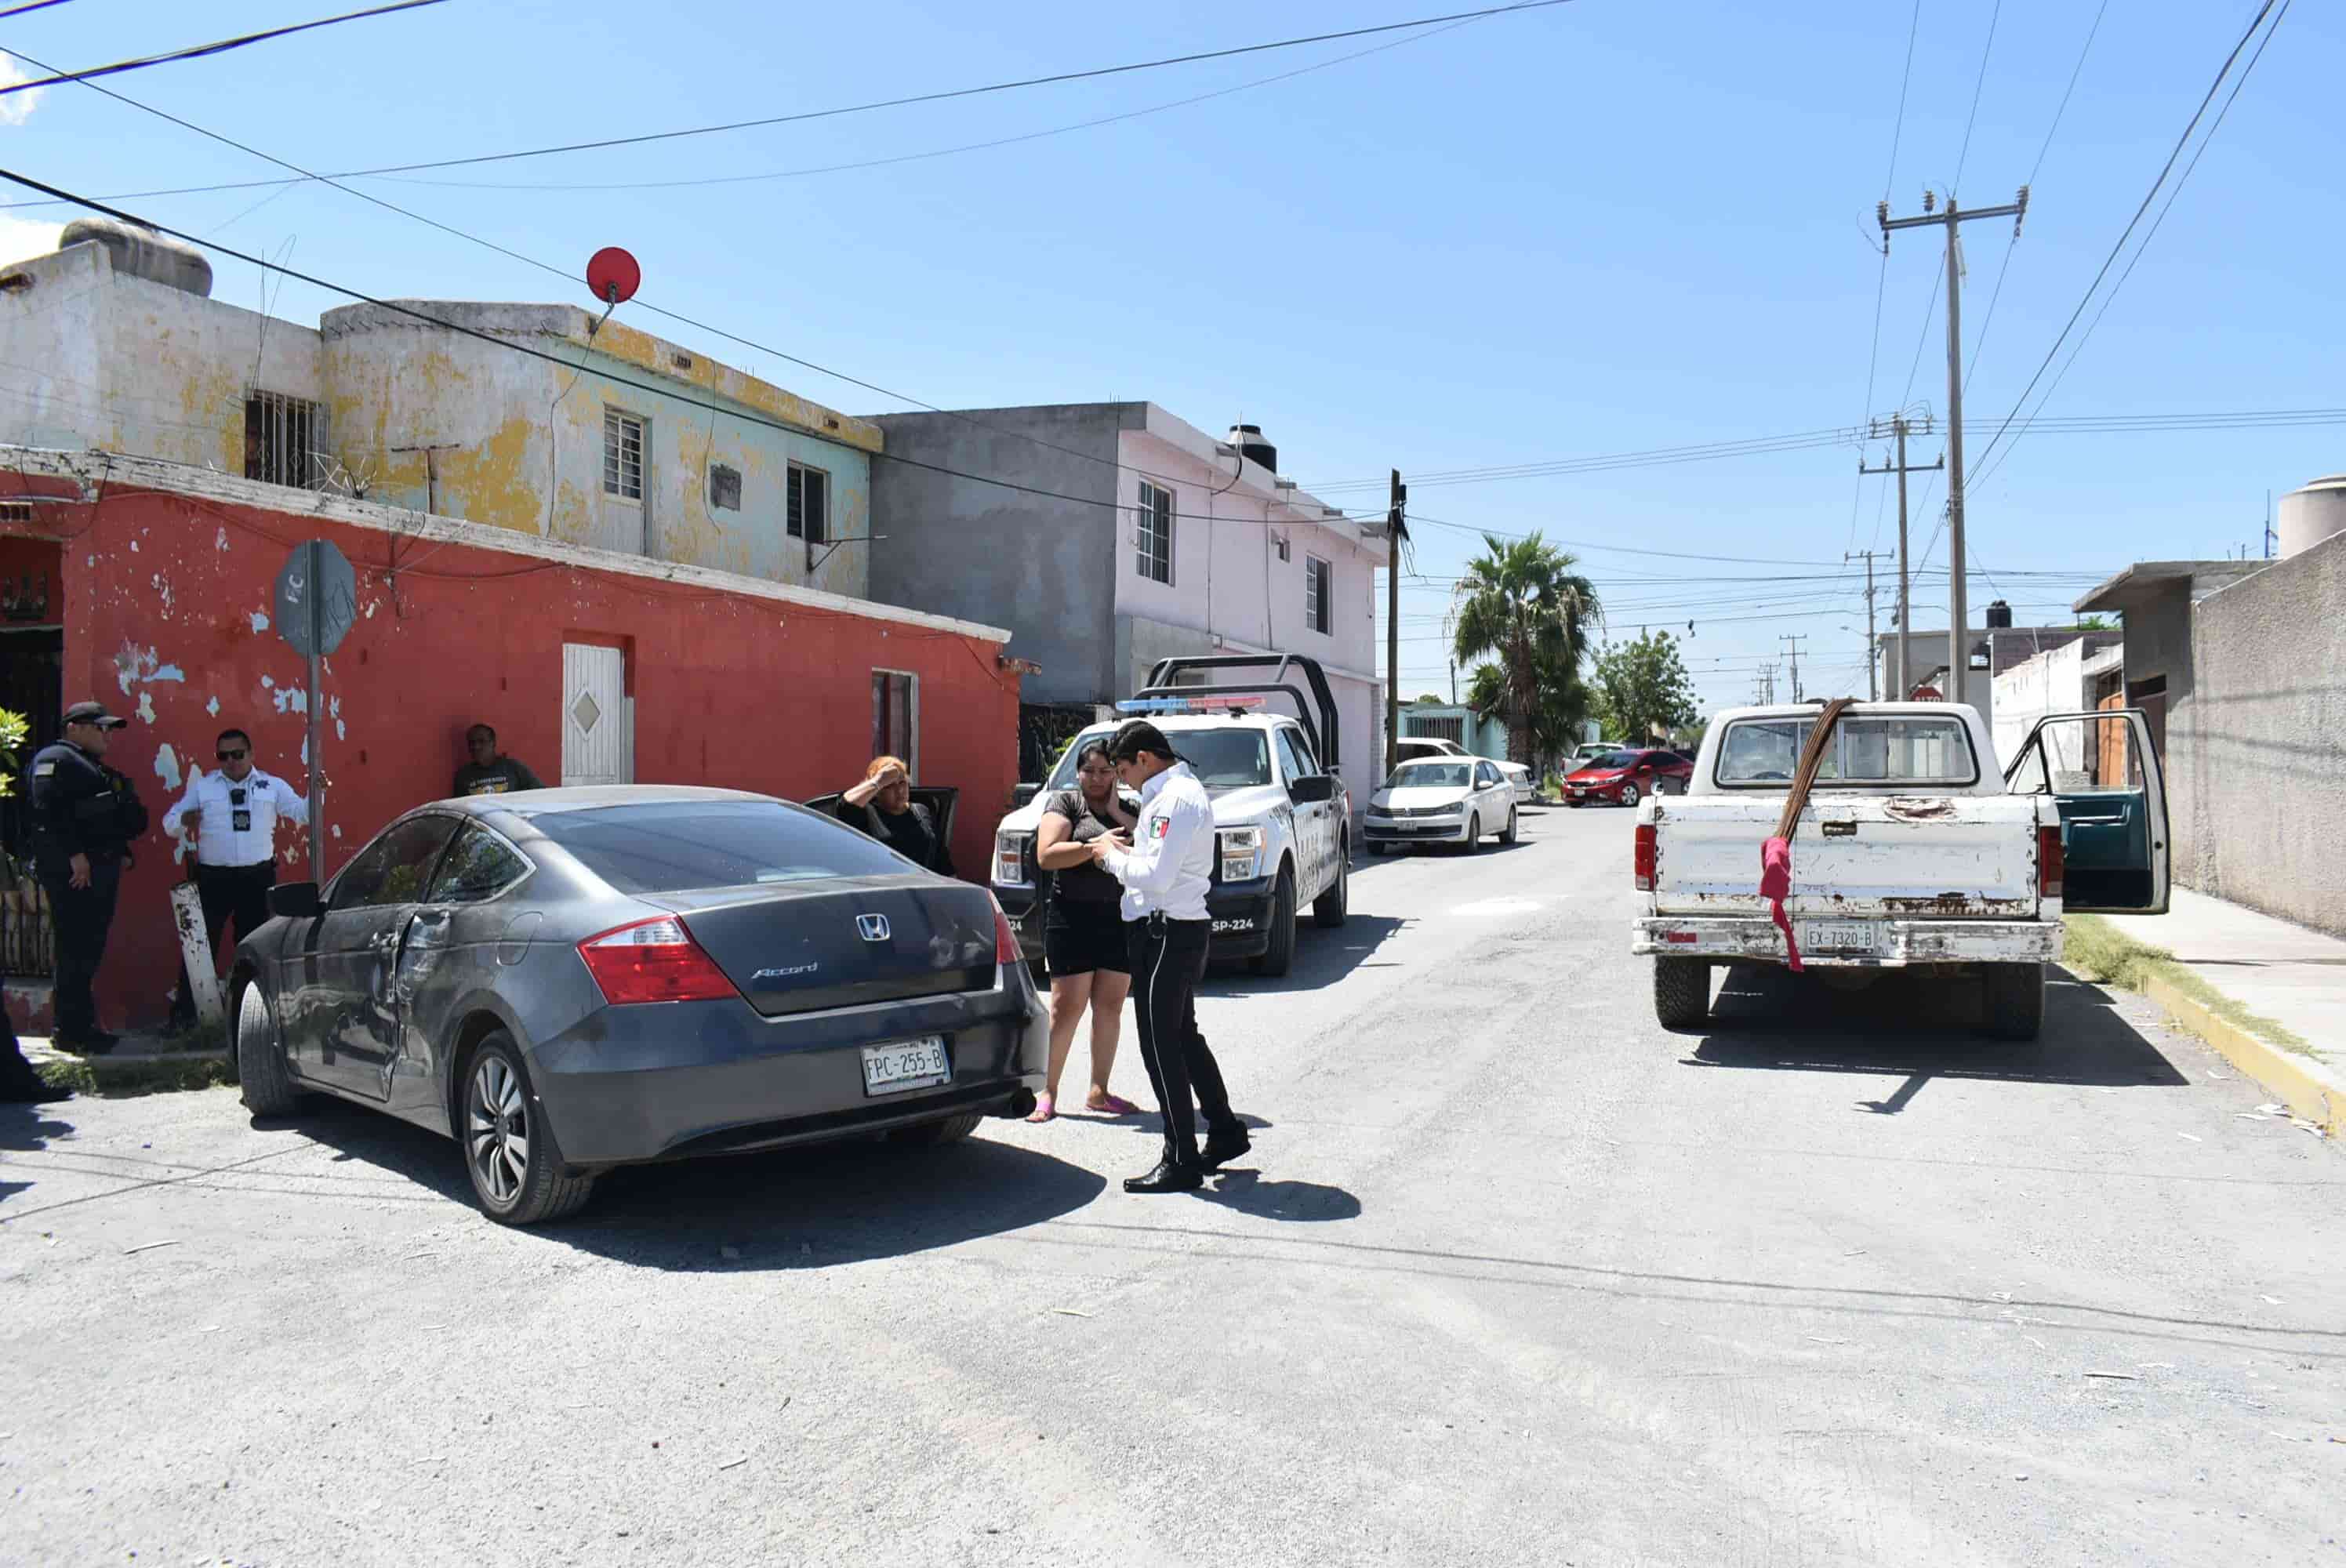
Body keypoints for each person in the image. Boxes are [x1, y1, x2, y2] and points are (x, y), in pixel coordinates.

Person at [1091, 719, 1249, 1193]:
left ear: (1145, 758)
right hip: (1172, 930)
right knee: (1182, 1038)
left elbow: (1157, 878)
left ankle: (1181, 1158)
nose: (1122, 780)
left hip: (1166, 933)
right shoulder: (1173, 794)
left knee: (1161, 1047)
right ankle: (1223, 1130)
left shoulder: (1175, 797)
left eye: (1122, 770)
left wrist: (1106, 856)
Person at [162, 728, 310, 1031]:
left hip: (257, 878)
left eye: (237, 754)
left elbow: (303, 813)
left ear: (251, 754)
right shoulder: (204, 788)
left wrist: (317, 792)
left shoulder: (271, 786)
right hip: (214, 878)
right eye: (223, 756)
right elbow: (169, 822)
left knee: (254, 947)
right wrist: (183, 821)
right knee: (201, 946)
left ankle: (251, 1019)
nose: (230, 761)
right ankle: (184, 1018)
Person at [1025, 741, 1142, 1123]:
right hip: (1071, 917)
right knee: (1066, 1007)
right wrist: (1095, 846)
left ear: (1117, 773)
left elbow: (1151, 847)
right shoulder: (1065, 804)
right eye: (1089, 770)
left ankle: (1099, 1091)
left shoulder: (1130, 807)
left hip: (1118, 916)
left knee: (1110, 1006)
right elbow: (1047, 854)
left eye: (1106, 771)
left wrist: (1114, 813)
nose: (1097, 778)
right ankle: (1048, 1091)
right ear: (1077, 773)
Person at [26, 701, 148, 1054]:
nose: (107, 735)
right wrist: (74, 855)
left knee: (87, 950)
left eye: (108, 729)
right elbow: (44, 811)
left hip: (99, 870)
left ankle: (81, 1026)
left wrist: (120, 849)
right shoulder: (56, 759)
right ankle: (70, 1030)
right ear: (74, 727)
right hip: (76, 874)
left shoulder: (89, 766)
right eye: (100, 728)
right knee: (75, 949)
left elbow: (99, 816)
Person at [832, 755, 955, 876]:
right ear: (877, 791)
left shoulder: (921, 810)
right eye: (890, 785)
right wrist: (878, 780)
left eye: (902, 782)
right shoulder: (866, 814)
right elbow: (845, 805)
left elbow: (941, 859)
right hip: (886, 889)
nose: (900, 790)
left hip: (923, 887)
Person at [452, 724, 545, 798]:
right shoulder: (463, 775)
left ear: (493, 743)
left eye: (482, 741)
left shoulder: (513, 767)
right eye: (472, 743)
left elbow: (541, 793)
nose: (476, 747)